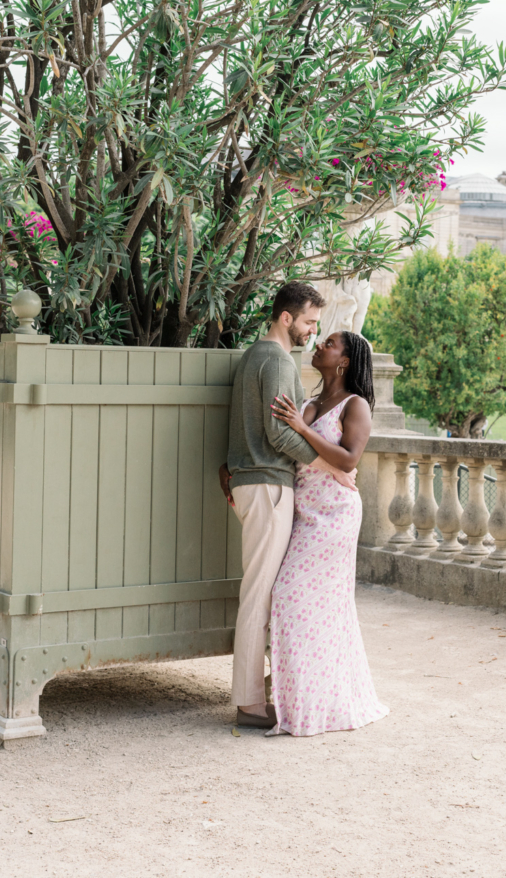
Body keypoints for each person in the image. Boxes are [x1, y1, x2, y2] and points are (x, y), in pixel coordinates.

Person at [264, 330, 388, 737]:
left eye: (330, 343)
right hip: (302, 512)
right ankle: (309, 699)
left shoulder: (357, 406)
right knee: (315, 611)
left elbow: (349, 459)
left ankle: (307, 704)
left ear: (345, 361)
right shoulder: (311, 402)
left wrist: (302, 427)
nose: (320, 345)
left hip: (334, 516)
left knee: (290, 596)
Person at [219, 282, 324, 730]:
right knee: (258, 597)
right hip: (267, 486)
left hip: (252, 483)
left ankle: (264, 689)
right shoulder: (278, 361)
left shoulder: (252, 357)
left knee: (265, 594)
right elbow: (279, 434)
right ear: (286, 318)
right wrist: (328, 464)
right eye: (308, 322)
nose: (312, 332)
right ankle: (248, 703)